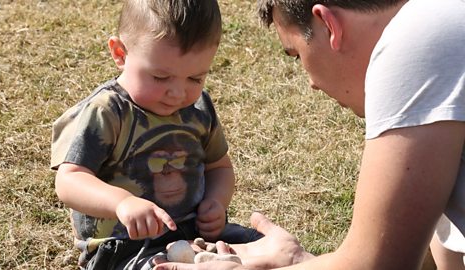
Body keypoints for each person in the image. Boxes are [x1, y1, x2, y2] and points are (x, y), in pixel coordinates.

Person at [154, 0, 465, 269]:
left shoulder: (414, 42)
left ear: (328, 24)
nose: (311, 83)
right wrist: (302, 262)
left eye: (296, 55)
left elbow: (378, 264)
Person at [50, 1, 262, 269]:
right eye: (161, 78)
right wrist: (122, 203)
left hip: (195, 235)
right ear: (120, 53)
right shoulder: (107, 112)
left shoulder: (198, 108)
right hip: (124, 247)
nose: (177, 93)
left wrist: (216, 202)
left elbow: (219, 166)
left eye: (195, 79)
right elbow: (70, 181)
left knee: (263, 247)